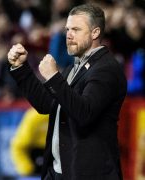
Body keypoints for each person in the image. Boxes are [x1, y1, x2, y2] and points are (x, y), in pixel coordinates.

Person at [7, 4, 127, 180]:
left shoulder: (106, 69)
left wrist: (54, 77)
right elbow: (47, 105)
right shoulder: (74, 68)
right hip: (59, 172)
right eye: (67, 29)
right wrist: (21, 69)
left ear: (95, 33)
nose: (68, 35)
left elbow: (84, 113)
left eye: (76, 29)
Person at [10, 107, 49, 176]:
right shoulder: (33, 117)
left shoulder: (66, 114)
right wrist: (26, 168)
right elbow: (19, 146)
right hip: (37, 159)